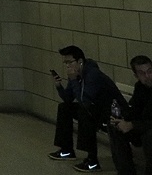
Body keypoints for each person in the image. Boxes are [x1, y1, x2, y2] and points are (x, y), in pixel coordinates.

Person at [49, 44, 124, 172]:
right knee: (64, 107)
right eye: (65, 63)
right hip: (95, 109)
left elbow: (85, 100)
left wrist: (73, 80)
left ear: (80, 62)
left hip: (112, 111)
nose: (67, 66)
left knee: (85, 113)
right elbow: (68, 99)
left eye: (70, 62)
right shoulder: (75, 74)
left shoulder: (92, 74)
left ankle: (92, 161)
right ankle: (66, 149)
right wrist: (59, 86)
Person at [109, 54, 152, 175]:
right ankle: (126, 171)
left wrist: (132, 125)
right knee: (115, 127)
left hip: (147, 128)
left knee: (150, 136)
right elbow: (135, 109)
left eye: (150, 71)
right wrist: (122, 119)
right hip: (142, 125)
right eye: (142, 73)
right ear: (136, 76)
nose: (148, 76)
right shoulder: (140, 87)